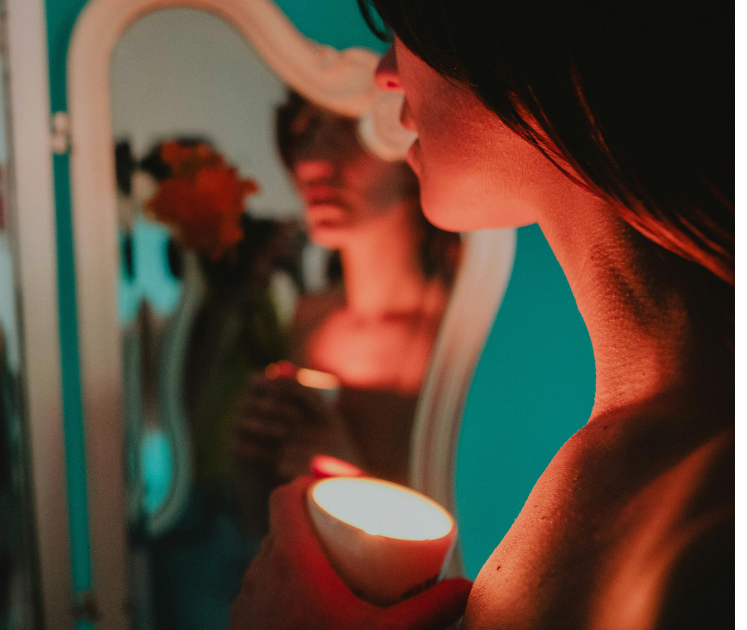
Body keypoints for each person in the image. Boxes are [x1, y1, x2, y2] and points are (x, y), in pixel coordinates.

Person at [230, 0, 731, 628]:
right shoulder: (655, 455)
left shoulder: (709, 500)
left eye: (402, 29)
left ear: (518, 34)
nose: (386, 73)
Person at [231, 90, 459, 532]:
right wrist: (252, 462)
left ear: (411, 148)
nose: (311, 164)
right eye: (306, 134)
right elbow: (277, 517)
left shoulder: (462, 328)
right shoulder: (309, 318)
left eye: (349, 130)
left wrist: (355, 477)